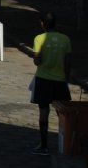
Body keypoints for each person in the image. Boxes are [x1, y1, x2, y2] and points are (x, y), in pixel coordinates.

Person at [30, 12, 72, 156]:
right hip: (60, 81)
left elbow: (37, 61)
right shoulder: (65, 39)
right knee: (63, 114)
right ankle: (67, 144)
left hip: (43, 80)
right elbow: (68, 63)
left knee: (43, 112)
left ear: (43, 23)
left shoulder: (39, 39)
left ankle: (44, 145)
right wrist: (66, 77)